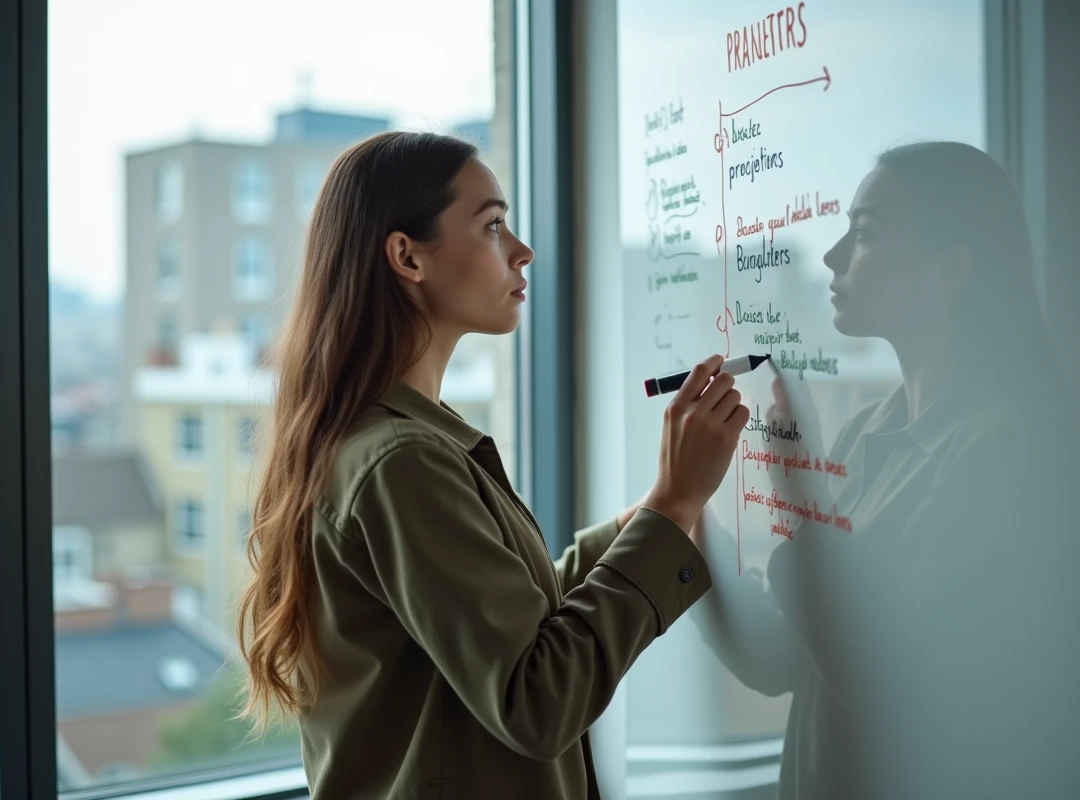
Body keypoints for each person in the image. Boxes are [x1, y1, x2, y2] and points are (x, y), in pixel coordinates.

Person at [235, 131, 750, 799]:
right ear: (406, 257)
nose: (523, 250)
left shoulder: (383, 441)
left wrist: (648, 515)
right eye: (493, 226)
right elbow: (535, 699)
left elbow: (503, 622)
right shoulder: (403, 462)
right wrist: (672, 506)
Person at [692, 141, 1079, 799]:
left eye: (865, 232)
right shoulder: (864, 433)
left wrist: (795, 489)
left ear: (952, 267)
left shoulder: (1004, 456)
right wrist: (685, 507)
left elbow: (895, 697)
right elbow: (783, 655)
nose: (836, 256)